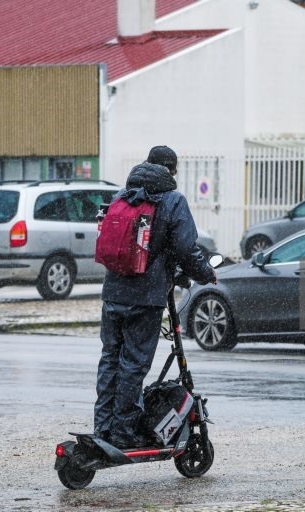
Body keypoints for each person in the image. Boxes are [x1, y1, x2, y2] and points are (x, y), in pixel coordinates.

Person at [94, 145, 216, 448]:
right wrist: (205, 273)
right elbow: (186, 248)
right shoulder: (172, 200)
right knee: (133, 364)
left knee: (110, 360)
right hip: (145, 296)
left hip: (113, 292)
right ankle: (123, 432)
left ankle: (103, 427)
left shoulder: (122, 196)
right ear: (172, 170)